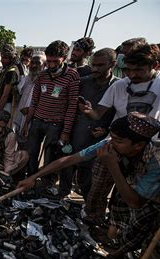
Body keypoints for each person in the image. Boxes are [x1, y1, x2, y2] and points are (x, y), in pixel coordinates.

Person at [18, 112, 160, 259]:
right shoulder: (114, 144)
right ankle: (109, 237)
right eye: (112, 138)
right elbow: (70, 160)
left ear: (138, 145)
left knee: (148, 234)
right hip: (136, 186)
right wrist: (33, 177)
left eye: (118, 140)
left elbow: (136, 202)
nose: (111, 143)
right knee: (120, 217)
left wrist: (113, 165)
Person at [82, 43, 160, 226]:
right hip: (115, 144)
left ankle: (115, 227)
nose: (132, 75)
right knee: (98, 186)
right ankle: (93, 220)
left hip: (147, 150)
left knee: (127, 195)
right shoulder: (119, 85)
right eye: (128, 70)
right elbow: (98, 114)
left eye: (139, 70)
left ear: (156, 66)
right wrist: (89, 112)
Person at [59, 48, 119, 200]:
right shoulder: (83, 82)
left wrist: (106, 129)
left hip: (98, 136)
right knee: (67, 163)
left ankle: (87, 200)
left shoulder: (118, 86)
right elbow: (70, 106)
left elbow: (119, 113)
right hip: (76, 131)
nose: (95, 69)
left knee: (89, 171)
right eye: (93, 65)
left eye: (100, 65)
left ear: (113, 64)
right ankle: (63, 193)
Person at [23, 40, 80, 179]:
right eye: (49, 61)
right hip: (37, 121)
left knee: (50, 156)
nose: (52, 65)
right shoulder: (42, 75)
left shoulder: (72, 75)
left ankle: (45, 183)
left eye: (55, 61)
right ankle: (30, 179)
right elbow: (34, 101)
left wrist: (66, 131)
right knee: (31, 153)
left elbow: (72, 106)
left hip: (55, 124)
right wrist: (27, 123)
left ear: (64, 58)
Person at [15, 52, 46, 135]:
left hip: (34, 120)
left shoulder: (45, 83)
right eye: (32, 62)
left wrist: (31, 110)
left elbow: (47, 102)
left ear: (44, 66)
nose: (34, 66)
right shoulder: (26, 79)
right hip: (20, 117)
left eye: (38, 63)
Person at [0, 45, 19, 124]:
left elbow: (5, 95)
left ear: (11, 58)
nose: (1, 60)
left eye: (5, 58)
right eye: (2, 57)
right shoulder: (7, 69)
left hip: (5, 107)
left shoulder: (12, 71)